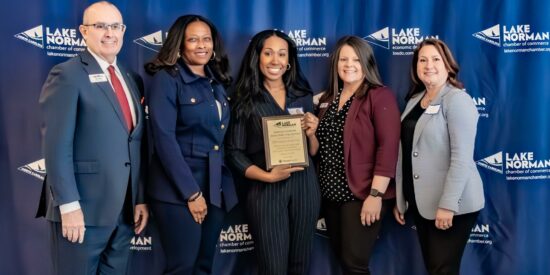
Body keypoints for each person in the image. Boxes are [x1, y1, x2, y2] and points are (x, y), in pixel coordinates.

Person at [37, 1, 149, 274]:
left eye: (115, 26)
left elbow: (135, 144)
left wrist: (139, 197)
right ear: (84, 32)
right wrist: (69, 205)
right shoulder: (67, 74)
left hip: (124, 214)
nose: (109, 33)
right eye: (100, 26)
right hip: (82, 212)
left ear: (123, 31)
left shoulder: (131, 78)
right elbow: (56, 145)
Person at [144, 14, 237, 275]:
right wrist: (191, 193)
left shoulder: (216, 81)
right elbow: (164, 139)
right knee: (182, 267)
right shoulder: (167, 79)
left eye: (206, 39)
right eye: (193, 39)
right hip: (178, 192)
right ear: (180, 45)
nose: (201, 45)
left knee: (204, 266)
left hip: (214, 186)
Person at [226, 30, 320, 275]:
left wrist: (312, 133)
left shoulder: (302, 95)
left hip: (304, 186)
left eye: (281, 54)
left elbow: (313, 152)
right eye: (268, 53)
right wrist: (267, 176)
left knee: (301, 264)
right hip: (266, 189)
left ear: (289, 61)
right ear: (257, 57)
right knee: (272, 266)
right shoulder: (244, 99)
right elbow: (234, 152)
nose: (275, 60)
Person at [393, 38, 485, 275]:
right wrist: (402, 198)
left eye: (436, 59)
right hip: (422, 203)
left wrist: (448, 205)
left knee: (442, 270)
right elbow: (406, 151)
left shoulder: (457, 100)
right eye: (422, 60)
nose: (428, 65)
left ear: (448, 65)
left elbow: (461, 159)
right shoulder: (415, 101)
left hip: (452, 205)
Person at [315, 36, 401, 275]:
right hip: (330, 195)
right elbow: (317, 147)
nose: (349, 64)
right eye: (343, 59)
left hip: (361, 194)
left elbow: (388, 147)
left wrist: (375, 195)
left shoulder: (378, 96)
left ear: (367, 63)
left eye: (356, 59)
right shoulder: (328, 99)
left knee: (355, 265)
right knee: (344, 262)